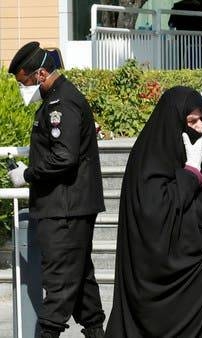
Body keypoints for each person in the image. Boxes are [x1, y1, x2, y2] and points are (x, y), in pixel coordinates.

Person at [105, 86, 202, 337]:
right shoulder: (149, 162)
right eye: (191, 121)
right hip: (164, 288)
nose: (200, 127)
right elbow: (155, 213)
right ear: (175, 122)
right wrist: (191, 172)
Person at [7, 41, 106, 338]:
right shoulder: (58, 99)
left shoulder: (61, 103)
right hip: (68, 206)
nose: (23, 88)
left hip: (65, 208)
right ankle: (96, 331)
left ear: (39, 74)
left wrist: (27, 173)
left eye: (23, 81)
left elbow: (64, 156)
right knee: (80, 279)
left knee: (60, 279)